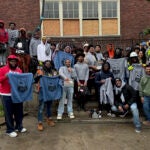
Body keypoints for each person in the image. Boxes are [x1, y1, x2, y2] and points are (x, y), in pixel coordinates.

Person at [0, 55, 27, 137]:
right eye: (11, 61)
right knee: (8, 113)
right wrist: (5, 76)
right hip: (6, 94)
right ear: (8, 61)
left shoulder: (19, 70)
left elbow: (21, 81)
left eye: (15, 61)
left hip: (17, 94)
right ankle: (10, 130)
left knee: (19, 111)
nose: (13, 62)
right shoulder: (2, 69)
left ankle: (19, 126)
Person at [34, 60, 58, 131]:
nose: (48, 65)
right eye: (46, 64)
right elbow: (34, 79)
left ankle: (49, 119)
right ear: (44, 64)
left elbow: (57, 78)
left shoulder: (53, 71)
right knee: (41, 107)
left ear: (51, 64)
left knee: (49, 106)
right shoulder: (39, 71)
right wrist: (39, 76)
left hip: (50, 91)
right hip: (42, 91)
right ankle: (40, 122)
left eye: (49, 64)